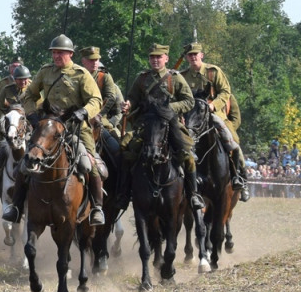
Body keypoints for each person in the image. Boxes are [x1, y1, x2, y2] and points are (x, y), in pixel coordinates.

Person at [2, 34, 106, 226]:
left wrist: (83, 112)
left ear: (71, 54)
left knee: (88, 163)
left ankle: (97, 208)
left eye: (61, 53)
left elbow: (96, 100)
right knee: (26, 162)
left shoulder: (81, 74)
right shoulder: (45, 71)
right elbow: (29, 95)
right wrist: (33, 115)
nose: (57, 56)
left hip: (75, 127)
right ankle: (16, 207)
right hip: (48, 126)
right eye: (54, 53)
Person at [117, 43, 203, 212]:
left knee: (188, 155)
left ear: (166, 58)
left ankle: (193, 194)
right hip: (145, 124)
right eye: (152, 57)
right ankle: (124, 194)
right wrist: (128, 105)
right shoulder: (141, 78)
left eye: (158, 57)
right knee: (125, 151)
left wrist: (169, 109)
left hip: (171, 124)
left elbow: (189, 101)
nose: (155, 60)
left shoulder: (176, 78)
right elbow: (133, 97)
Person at [180, 42, 249, 200]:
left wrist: (213, 105)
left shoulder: (213, 72)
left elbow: (225, 92)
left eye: (195, 54)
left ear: (201, 55)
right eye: (190, 55)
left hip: (213, 114)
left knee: (233, 142)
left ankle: (240, 177)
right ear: (186, 58)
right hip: (190, 116)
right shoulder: (182, 76)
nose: (193, 57)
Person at [79, 47, 123, 136]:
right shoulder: (77, 76)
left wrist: (100, 116)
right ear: (83, 61)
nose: (95, 63)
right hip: (78, 116)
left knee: (115, 146)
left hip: (100, 118)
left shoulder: (104, 76)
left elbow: (111, 98)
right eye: (91, 60)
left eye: (97, 60)